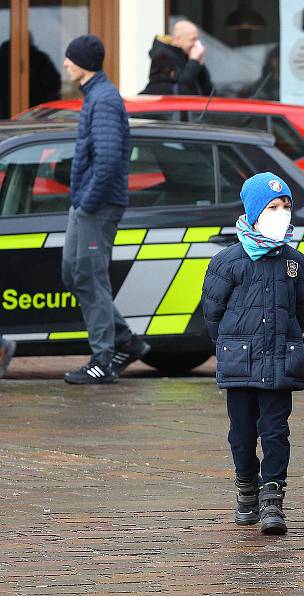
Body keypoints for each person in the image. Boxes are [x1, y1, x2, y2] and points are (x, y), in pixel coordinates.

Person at [201, 172, 304, 536]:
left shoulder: (295, 262)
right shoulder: (227, 262)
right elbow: (213, 313)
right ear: (252, 212)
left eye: (285, 207)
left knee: (276, 432)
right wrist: (232, 347)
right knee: (242, 433)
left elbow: (301, 311)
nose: (281, 213)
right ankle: (246, 485)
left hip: (279, 359)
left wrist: (285, 342)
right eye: (271, 207)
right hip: (240, 363)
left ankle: (272, 499)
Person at [61, 35, 149, 385]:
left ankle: (103, 359)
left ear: (84, 62)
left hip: (96, 205)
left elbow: (110, 159)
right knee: (74, 273)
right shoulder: (95, 97)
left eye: (70, 58)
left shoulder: (105, 100)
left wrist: (87, 200)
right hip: (85, 204)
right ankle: (126, 342)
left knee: (90, 277)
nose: (65, 63)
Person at [141, 20, 212, 96]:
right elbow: (182, 89)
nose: (197, 44)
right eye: (192, 40)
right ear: (178, 39)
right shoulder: (162, 56)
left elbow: (207, 91)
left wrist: (200, 64)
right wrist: (193, 61)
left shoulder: (188, 54)